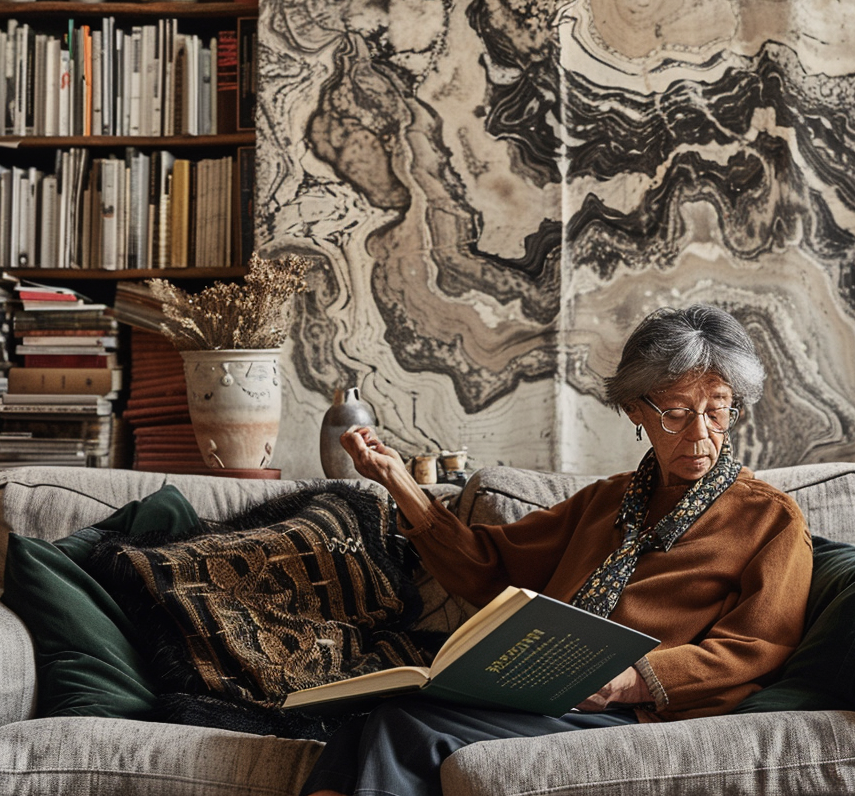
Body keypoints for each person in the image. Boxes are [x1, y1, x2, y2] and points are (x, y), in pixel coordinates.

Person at [302, 304, 813, 796]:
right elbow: (489, 568)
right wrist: (399, 483)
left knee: (407, 727)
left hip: (639, 713)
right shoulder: (608, 500)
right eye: (677, 413)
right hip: (547, 690)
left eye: (718, 409)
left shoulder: (770, 519)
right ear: (635, 409)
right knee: (365, 721)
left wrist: (633, 679)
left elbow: (758, 647)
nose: (702, 434)